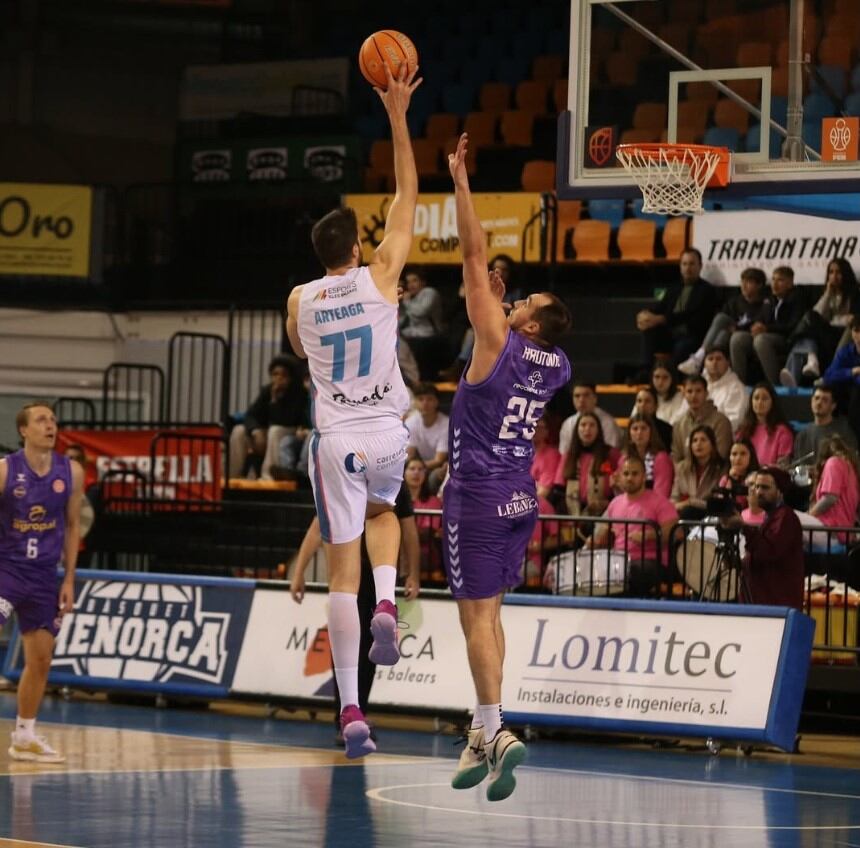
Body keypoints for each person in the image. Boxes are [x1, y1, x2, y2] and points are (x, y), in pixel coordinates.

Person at [284, 62, 421, 759]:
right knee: (385, 514)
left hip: (336, 436)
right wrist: (396, 113)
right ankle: (390, 600)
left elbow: (298, 355)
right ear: (358, 249)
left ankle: (349, 712)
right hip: (387, 432)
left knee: (341, 578)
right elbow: (406, 193)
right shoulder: (383, 277)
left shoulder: (299, 302)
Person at [444, 132, 571, 802]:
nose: (512, 299)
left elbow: (470, 252)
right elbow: (501, 345)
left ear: (527, 324)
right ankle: (477, 731)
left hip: (475, 494)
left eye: (522, 303)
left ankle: (495, 729)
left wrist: (462, 182)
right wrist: (496, 312)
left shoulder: (498, 336)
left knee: (475, 621)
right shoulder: (557, 363)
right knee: (492, 615)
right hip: (522, 497)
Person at [289, 483, 420, 744]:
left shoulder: (343, 473)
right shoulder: (391, 476)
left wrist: (299, 571)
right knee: (369, 645)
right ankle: (352, 713)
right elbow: (407, 531)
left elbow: (318, 525)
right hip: (377, 570)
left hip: (350, 571)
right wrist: (413, 573)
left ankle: (350, 713)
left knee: (354, 644)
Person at [1, 403, 83, 763]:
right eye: (41, 420)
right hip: (6, 569)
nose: (50, 425)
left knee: (41, 659)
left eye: (52, 420)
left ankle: (24, 735)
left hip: (43, 575)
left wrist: (69, 578)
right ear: (23, 430)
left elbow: (73, 526)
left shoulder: (72, 471)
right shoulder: (6, 471)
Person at [592, 454, 679, 597]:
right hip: (618, 561)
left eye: (634, 474)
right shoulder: (615, 503)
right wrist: (600, 540)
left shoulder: (660, 502)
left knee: (629, 572)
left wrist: (649, 535)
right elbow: (608, 534)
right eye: (626, 474)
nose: (629, 478)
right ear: (620, 477)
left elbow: (676, 533)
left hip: (651, 562)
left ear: (644, 477)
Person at [721, 466, 804, 609]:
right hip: (762, 603)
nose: (758, 492)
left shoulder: (785, 517)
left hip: (777, 605)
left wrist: (743, 527)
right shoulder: (770, 517)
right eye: (756, 486)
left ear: (780, 491)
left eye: (765, 488)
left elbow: (769, 551)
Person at [634, 248, 718, 377]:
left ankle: (670, 377)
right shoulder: (674, 288)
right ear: (680, 267)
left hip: (691, 334)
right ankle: (645, 371)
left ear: (700, 266)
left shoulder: (707, 290)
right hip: (670, 332)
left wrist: (662, 319)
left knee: (682, 346)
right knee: (649, 330)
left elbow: (689, 315)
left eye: (691, 264)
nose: (687, 268)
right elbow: (659, 308)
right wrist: (645, 315)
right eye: (684, 264)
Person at [228, 355, 310, 480]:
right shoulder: (267, 391)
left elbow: (287, 420)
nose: (278, 378)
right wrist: (255, 431)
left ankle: (268, 477)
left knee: (275, 431)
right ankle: (232, 477)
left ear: (291, 378)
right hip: (266, 433)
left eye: (283, 375)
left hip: (290, 431)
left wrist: (275, 401)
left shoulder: (298, 393)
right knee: (238, 431)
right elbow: (251, 415)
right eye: (275, 374)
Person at [781, 258, 860, 386]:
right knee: (808, 325)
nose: (834, 276)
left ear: (845, 274)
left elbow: (852, 320)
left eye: (838, 272)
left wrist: (833, 320)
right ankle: (797, 375)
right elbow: (818, 313)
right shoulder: (828, 293)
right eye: (831, 272)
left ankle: (813, 361)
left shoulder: (854, 294)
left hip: (843, 335)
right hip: (828, 333)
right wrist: (828, 292)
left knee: (808, 325)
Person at [678, 267, 770, 376]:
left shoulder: (765, 303)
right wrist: (733, 328)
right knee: (722, 329)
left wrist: (737, 328)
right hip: (732, 334)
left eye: (748, 282)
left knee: (731, 334)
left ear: (759, 285)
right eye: (742, 282)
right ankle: (706, 364)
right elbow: (722, 319)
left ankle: (702, 362)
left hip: (749, 337)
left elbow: (757, 325)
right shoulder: (735, 301)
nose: (743, 286)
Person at [734, 265, 805, 385]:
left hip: (787, 338)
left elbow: (793, 326)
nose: (774, 284)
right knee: (737, 338)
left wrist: (766, 328)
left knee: (761, 340)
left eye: (780, 280)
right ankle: (739, 384)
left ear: (790, 284)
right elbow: (759, 319)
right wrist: (751, 327)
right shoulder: (770, 300)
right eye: (773, 279)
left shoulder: (797, 299)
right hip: (768, 335)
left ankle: (775, 385)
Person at [554, 412, 620, 517]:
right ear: (577, 430)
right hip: (573, 514)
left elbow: (619, 488)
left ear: (598, 430)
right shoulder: (568, 455)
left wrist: (608, 503)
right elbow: (558, 489)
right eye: (583, 425)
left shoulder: (611, 454)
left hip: (603, 514)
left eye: (592, 425)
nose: (587, 429)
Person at [808, 435, 860, 552]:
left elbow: (830, 498)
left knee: (790, 519)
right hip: (842, 532)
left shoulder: (834, 462)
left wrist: (809, 516)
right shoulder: (851, 469)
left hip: (830, 530)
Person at [399, 267, 447, 380]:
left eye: (414, 280)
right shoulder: (410, 298)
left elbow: (420, 312)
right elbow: (402, 322)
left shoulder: (429, 292)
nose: (411, 285)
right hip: (413, 337)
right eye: (408, 282)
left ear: (423, 282)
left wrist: (406, 301)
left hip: (430, 337)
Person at [671, 375, 733, 462]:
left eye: (698, 391)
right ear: (684, 394)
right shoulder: (679, 425)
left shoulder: (721, 422)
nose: (694, 396)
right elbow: (676, 458)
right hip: (685, 474)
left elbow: (721, 456)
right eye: (689, 391)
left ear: (706, 393)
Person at [671, 425, 726, 521]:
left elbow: (718, 503)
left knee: (689, 511)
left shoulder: (721, 468)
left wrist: (691, 502)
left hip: (709, 516)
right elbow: (674, 498)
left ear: (712, 445)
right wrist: (683, 504)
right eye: (694, 440)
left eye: (703, 440)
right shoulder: (682, 468)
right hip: (685, 514)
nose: (698, 444)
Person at [821, 314, 860, 445]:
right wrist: (852, 372)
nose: (859, 336)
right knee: (827, 388)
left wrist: (850, 377)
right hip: (847, 392)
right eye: (856, 331)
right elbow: (829, 375)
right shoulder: (846, 351)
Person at [793, 385, 858, 463]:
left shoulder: (843, 431)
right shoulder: (802, 435)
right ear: (811, 401)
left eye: (825, 400)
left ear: (833, 406)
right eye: (816, 398)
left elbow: (852, 461)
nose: (819, 403)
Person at [403, 457, 443, 583]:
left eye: (420, 469)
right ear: (404, 473)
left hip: (427, 553)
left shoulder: (434, 502)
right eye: (412, 469)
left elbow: (430, 531)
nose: (416, 473)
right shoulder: (396, 501)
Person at [736, 383, 794, 467]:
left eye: (764, 398)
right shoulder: (743, 431)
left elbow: (783, 466)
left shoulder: (782, 432)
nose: (759, 402)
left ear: (772, 402)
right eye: (756, 398)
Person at [404, 382, 449, 493]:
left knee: (433, 476)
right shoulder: (411, 422)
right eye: (421, 399)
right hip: (420, 463)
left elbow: (439, 460)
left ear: (437, 402)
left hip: (439, 466)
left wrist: (418, 468)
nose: (425, 403)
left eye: (429, 399)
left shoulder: (446, 423)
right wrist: (414, 468)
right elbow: (410, 455)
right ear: (415, 402)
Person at [558, 381, 623, 453]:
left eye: (586, 395)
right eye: (577, 396)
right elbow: (564, 453)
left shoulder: (608, 422)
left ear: (595, 398)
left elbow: (611, 453)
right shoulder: (568, 423)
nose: (581, 400)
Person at [623, 413, 673, 498]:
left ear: (651, 432)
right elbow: (621, 494)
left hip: (653, 506)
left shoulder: (661, 458)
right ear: (629, 435)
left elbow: (661, 495)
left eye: (644, 428)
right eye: (635, 429)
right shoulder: (624, 459)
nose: (639, 432)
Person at [718, 439, 759, 511]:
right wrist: (732, 480)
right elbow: (721, 506)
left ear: (751, 456)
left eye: (743, 454)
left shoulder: (758, 478)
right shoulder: (725, 479)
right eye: (734, 454)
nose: (738, 458)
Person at [630, 385, 674, 449]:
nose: (642, 405)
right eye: (639, 401)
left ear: (656, 406)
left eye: (647, 401)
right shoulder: (631, 427)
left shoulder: (667, 429)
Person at [530, 415, 562, 499]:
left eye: (538, 427)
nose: (533, 430)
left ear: (547, 431)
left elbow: (543, 492)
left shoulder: (551, 455)